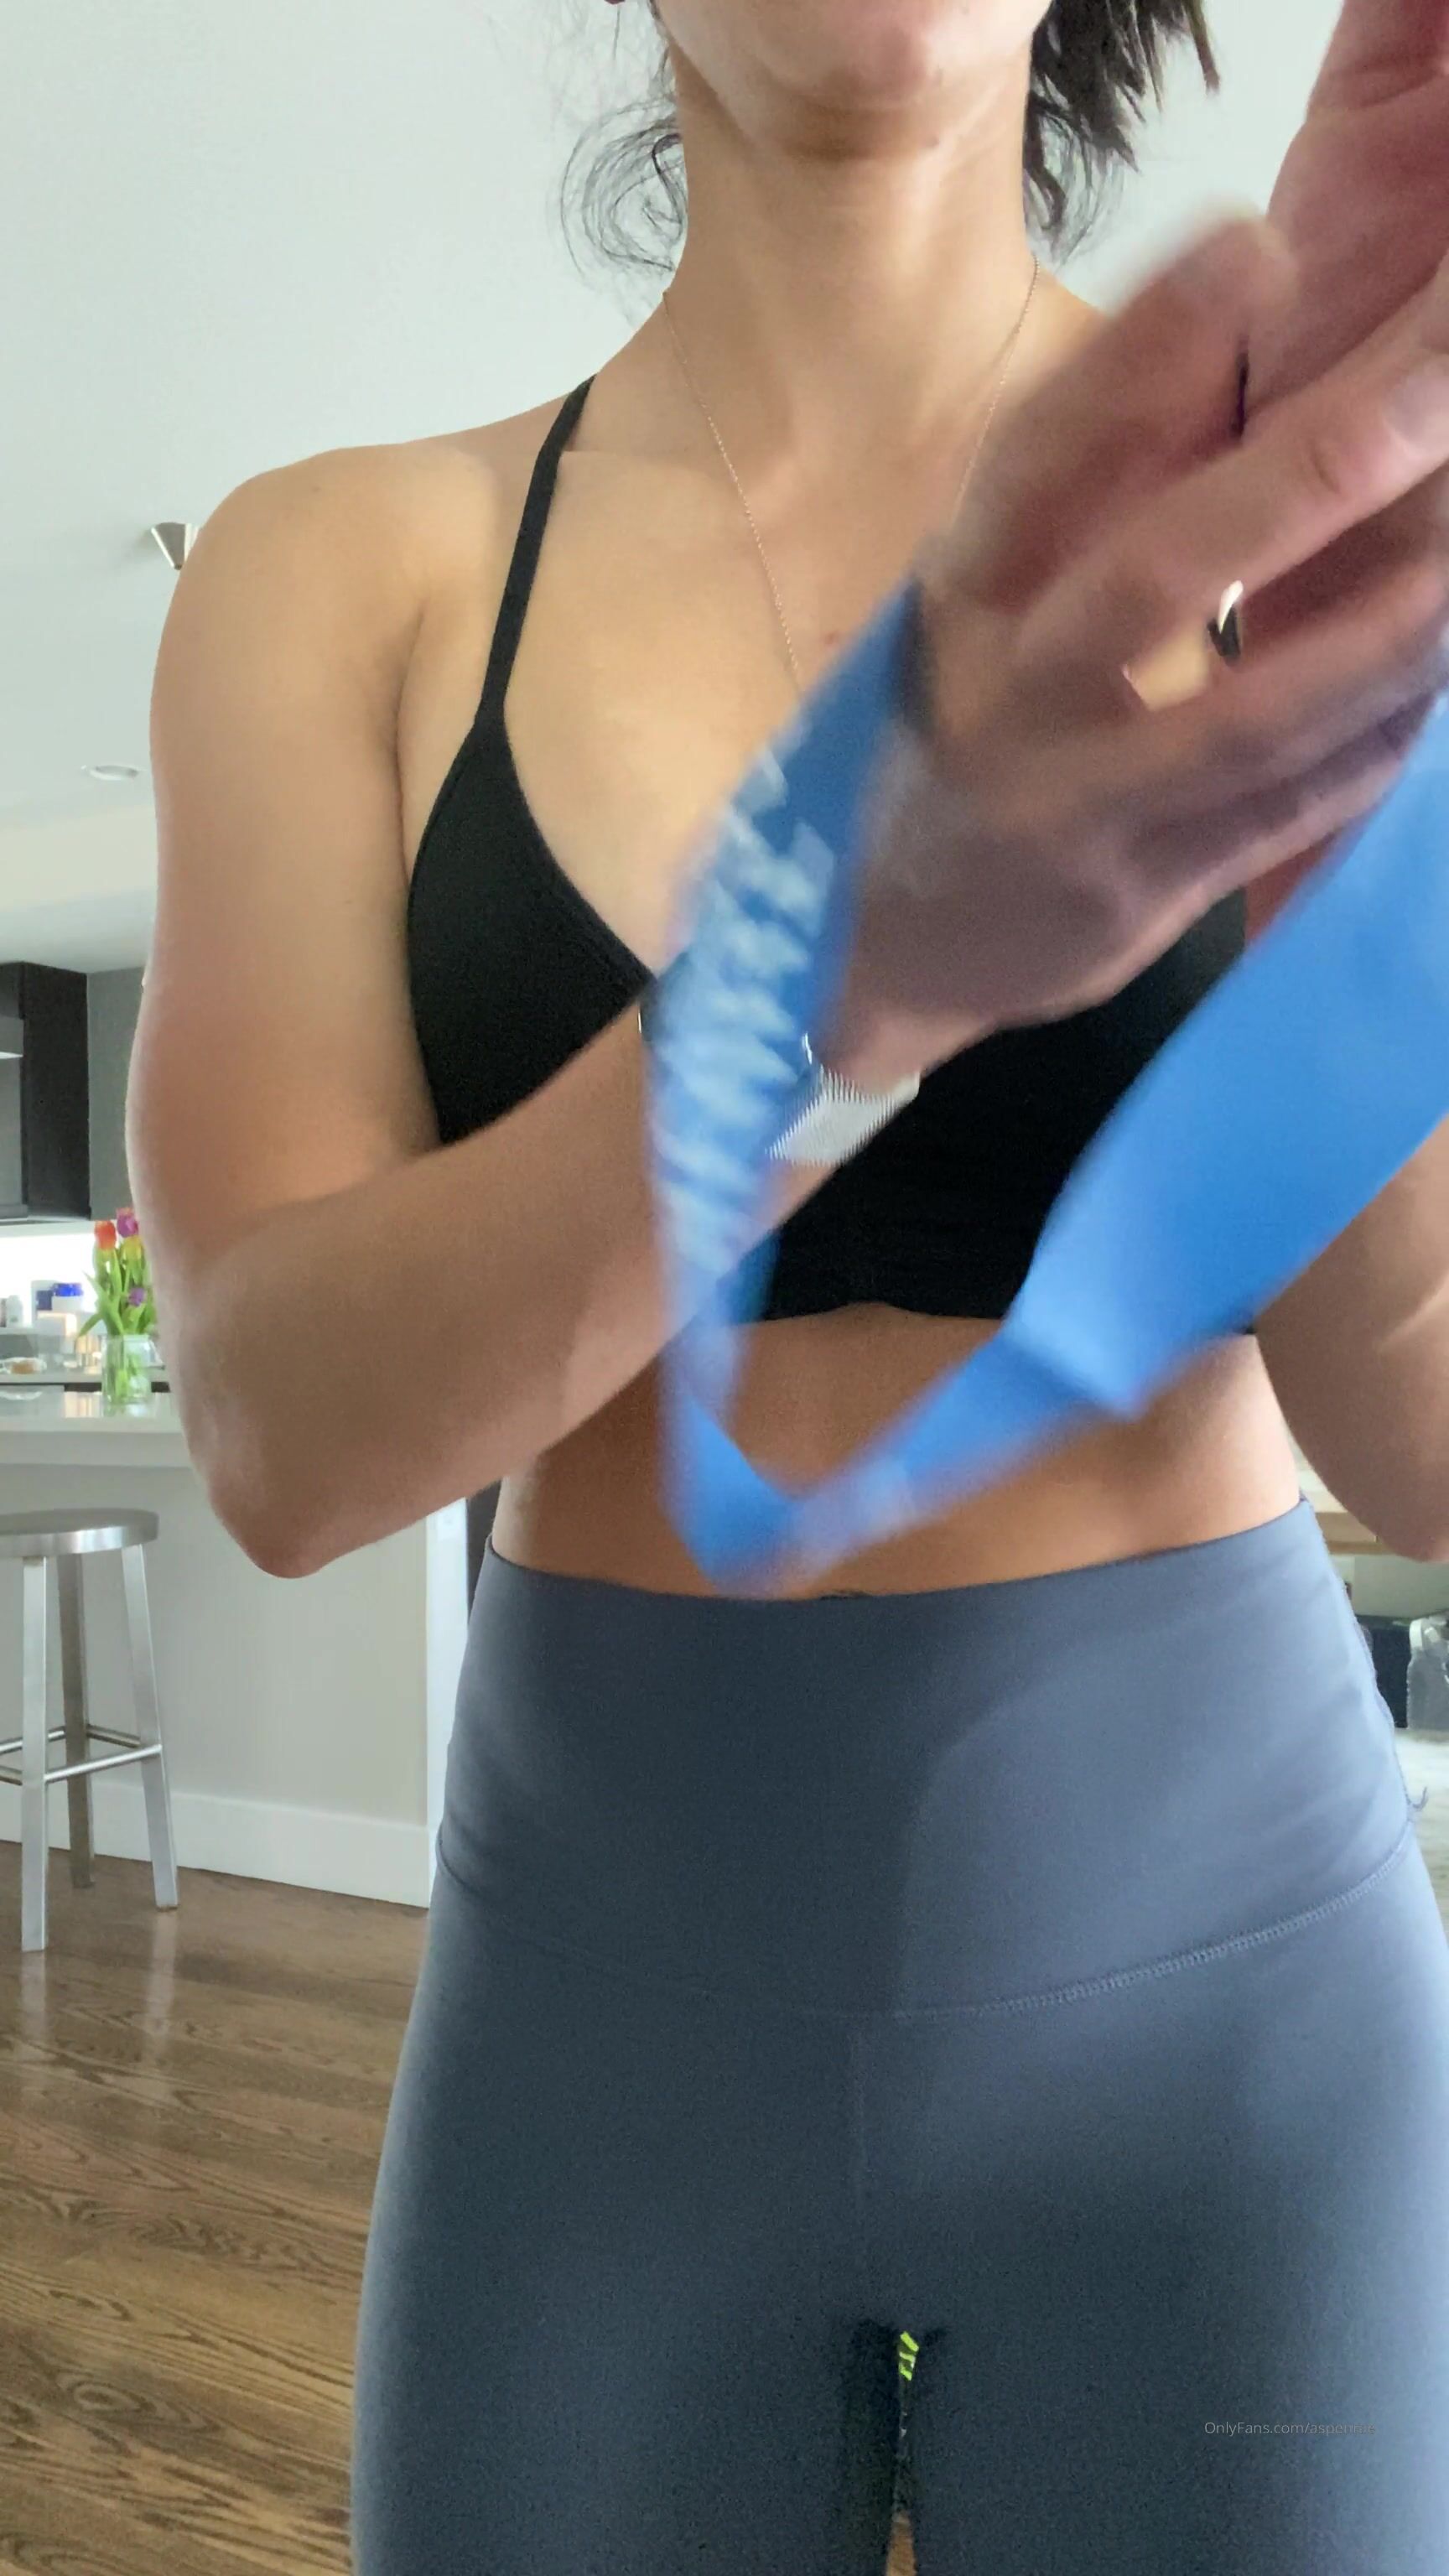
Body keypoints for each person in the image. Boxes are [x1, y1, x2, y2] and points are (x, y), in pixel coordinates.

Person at [131, 3, 1449, 2568]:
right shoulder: (340, 570)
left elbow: (1415, 1432)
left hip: (1234, 2038)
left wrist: (1369, 805)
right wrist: (823, 995)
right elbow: (280, 1439)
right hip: (598, 2044)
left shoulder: (1309, 527)